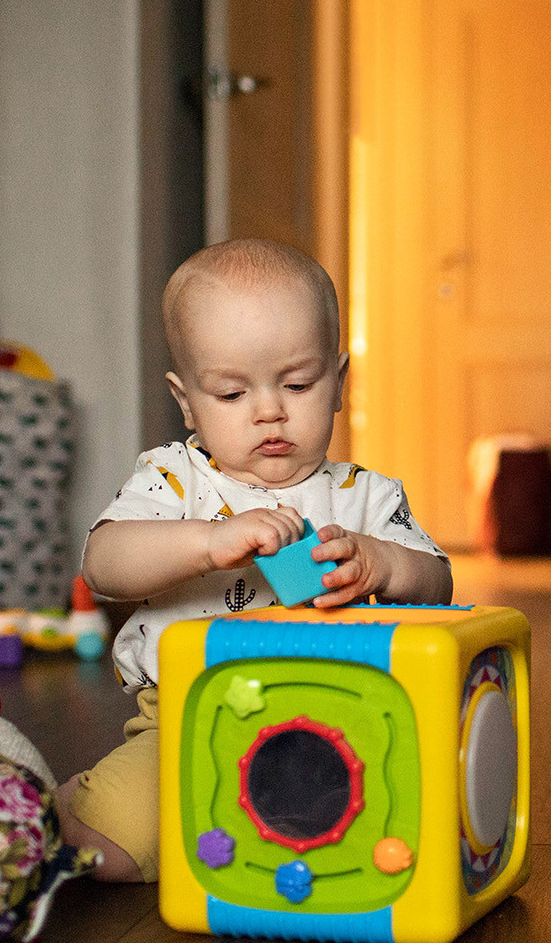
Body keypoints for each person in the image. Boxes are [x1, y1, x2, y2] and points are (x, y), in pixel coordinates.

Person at [57, 238, 452, 881]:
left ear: (338, 385)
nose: (270, 410)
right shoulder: (177, 479)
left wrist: (382, 565)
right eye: (232, 394)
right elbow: (103, 563)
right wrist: (207, 543)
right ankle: (68, 804)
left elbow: (438, 582)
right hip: (189, 722)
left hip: (340, 728)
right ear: (188, 402)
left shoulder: (363, 496)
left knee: (392, 845)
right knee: (112, 855)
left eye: (297, 383)